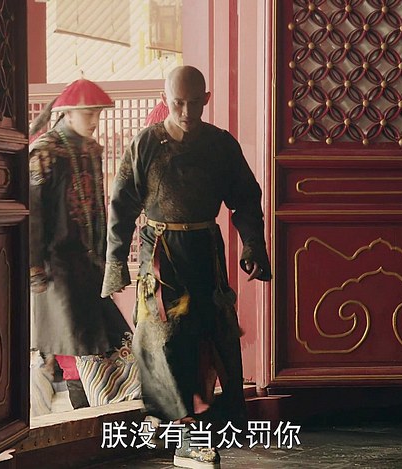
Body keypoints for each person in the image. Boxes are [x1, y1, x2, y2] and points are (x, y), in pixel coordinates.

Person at [101, 66, 271, 468]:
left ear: (206, 99)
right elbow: (121, 205)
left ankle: (211, 425)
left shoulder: (220, 145)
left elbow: (246, 199)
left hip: (205, 250)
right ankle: (185, 434)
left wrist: (253, 244)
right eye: (178, 102)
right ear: (166, 99)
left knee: (213, 335)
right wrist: (115, 261)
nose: (187, 111)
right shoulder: (145, 144)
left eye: (195, 102)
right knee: (160, 339)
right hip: (159, 254)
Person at [29, 79, 131, 373]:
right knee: (76, 346)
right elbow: (34, 213)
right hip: (58, 265)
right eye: (89, 114)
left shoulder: (91, 150)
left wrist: (106, 258)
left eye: (98, 113)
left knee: (108, 342)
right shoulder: (44, 153)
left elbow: (98, 209)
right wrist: (35, 267)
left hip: (89, 262)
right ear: (69, 113)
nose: (95, 121)